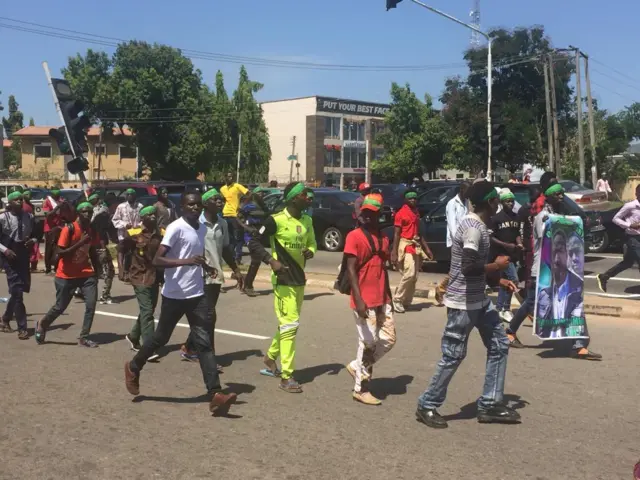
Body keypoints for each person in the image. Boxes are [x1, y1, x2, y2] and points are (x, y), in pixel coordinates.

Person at [416, 181, 520, 429]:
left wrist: (499, 279)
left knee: (499, 345)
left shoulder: (481, 226)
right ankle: (427, 404)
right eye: (496, 199)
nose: (499, 203)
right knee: (453, 355)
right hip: (462, 303)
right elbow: (468, 267)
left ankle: (489, 404)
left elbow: (475, 268)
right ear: (490, 202)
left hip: (479, 301)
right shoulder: (473, 228)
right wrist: (497, 266)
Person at [123, 192, 238, 415]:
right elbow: (157, 260)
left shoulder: (201, 228)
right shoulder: (176, 227)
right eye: (190, 204)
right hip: (175, 295)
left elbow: (195, 254)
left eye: (197, 205)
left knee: (204, 342)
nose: (194, 208)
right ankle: (134, 366)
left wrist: (205, 267)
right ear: (183, 207)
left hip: (197, 294)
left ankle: (215, 394)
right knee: (160, 339)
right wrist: (186, 262)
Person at [506, 181, 601, 360]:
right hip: (543, 271)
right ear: (548, 196)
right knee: (532, 303)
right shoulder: (543, 217)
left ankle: (578, 345)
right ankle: (510, 332)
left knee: (573, 300)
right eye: (557, 194)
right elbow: (551, 241)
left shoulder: (557, 215)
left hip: (559, 270)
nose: (561, 196)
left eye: (562, 193)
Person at [248, 182, 316, 393]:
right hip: (283, 279)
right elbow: (254, 241)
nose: (309, 197)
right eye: (305, 194)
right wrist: (271, 261)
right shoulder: (275, 220)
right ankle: (287, 376)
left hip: (299, 280)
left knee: (289, 325)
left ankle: (270, 358)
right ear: (294, 198)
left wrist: (310, 251)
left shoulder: (307, 220)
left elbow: (313, 243)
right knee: (290, 325)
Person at [180, 188, 244, 362]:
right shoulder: (196, 222)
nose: (220, 202)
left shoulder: (222, 223)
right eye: (216, 199)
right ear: (205, 203)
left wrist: (236, 270)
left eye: (221, 200)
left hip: (215, 275)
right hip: (197, 276)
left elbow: (225, 249)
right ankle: (209, 358)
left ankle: (190, 347)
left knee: (204, 317)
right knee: (209, 317)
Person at [344, 194, 395, 405]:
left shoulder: (383, 238)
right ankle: (361, 388)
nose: (366, 217)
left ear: (379, 216)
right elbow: (350, 269)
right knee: (367, 343)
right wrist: (359, 298)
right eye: (364, 213)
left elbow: (382, 268)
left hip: (382, 297)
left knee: (389, 339)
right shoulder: (354, 236)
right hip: (363, 298)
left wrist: (389, 297)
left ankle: (357, 366)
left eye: (371, 214)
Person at [35, 202, 102, 347]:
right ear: (78, 213)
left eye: (90, 212)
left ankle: (83, 337)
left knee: (91, 305)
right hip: (65, 275)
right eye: (85, 212)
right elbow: (61, 253)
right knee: (60, 307)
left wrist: (97, 271)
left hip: (86, 274)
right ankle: (43, 323)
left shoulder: (91, 230)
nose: (88, 215)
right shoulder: (69, 229)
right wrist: (80, 242)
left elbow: (92, 251)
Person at [122, 206, 165, 361]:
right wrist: (122, 270)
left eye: (155, 214)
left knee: (149, 309)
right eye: (149, 215)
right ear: (143, 218)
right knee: (147, 311)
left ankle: (133, 336)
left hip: (154, 276)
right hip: (139, 276)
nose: (153, 217)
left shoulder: (161, 234)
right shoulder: (133, 233)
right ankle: (148, 347)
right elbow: (121, 250)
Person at [0, 192, 36, 339]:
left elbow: (36, 234)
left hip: (22, 255)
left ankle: (5, 319)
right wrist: (5, 250)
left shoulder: (29, 217)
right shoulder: (3, 218)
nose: (20, 201)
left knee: (19, 290)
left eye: (21, 199)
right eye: (16, 199)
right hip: (8, 256)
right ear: (10, 202)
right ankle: (22, 327)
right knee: (17, 292)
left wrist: (32, 240)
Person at [390, 190, 433, 313]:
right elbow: (397, 234)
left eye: (414, 198)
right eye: (410, 199)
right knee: (409, 274)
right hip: (406, 244)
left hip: (415, 245)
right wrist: (394, 252)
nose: (413, 200)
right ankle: (397, 299)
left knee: (414, 276)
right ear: (405, 200)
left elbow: (419, 233)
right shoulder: (400, 214)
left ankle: (406, 301)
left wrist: (427, 248)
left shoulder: (415, 212)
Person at [597, 185, 640, 292]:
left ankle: (604, 277)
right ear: (636, 193)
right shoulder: (630, 206)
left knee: (628, 263)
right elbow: (615, 219)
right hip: (632, 238)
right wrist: (629, 225)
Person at [536, 230, 584, 326]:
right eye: (553, 253)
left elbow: (578, 322)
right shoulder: (543, 295)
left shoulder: (579, 288)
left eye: (560, 251)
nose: (557, 259)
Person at [490, 188, 523, 323]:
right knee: (513, 280)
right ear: (502, 203)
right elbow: (491, 237)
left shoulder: (516, 218)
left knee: (506, 281)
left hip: (513, 254)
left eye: (512, 201)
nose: (511, 203)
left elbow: (516, 234)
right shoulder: (496, 218)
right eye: (508, 201)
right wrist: (505, 245)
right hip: (502, 255)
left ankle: (500, 309)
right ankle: (506, 308)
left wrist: (519, 244)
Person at [435, 182, 470, 305]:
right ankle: (442, 288)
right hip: (456, 242)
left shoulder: (466, 203)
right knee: (457, 268)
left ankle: (444, 289)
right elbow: (452, 225)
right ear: (461, 190)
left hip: (465, 240)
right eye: (467, 191)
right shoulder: (452, 204)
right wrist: (458, 242)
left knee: (460, 268)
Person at [239, 187, 270, 297]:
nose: (262, 194)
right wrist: (247, 228)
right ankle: (248, 286)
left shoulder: (264, 206)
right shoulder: (248, 206)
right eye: (259, 193)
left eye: (263, 193)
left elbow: (267, 217)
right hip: (250, 237)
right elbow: (238, 218)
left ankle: (246, 283)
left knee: (255, 261)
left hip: (260, 236)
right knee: (257, 259)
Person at [89, 193, 115, 304]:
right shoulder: (101, 213)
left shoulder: (88, 215)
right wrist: (104, 248)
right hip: (100, 246)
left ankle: (81, 291)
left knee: (94, 272)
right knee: (108, 272)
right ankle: (105, 295)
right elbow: (101, 231)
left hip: (91, 247)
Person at [112, 188, 143, 282]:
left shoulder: (140, 206)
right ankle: (122, 272)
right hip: (123, 234)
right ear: (126, 196)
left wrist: (139, 225)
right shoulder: (121, 207)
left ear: (135, 196)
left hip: (135, 234)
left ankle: (129, 272)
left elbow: (143, 219)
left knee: (132, 253)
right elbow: (115, 220)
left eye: (132, 194)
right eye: (128, 194)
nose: (130, 196)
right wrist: (125, 225)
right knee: (121, 252)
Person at [220, 171, 249, 264]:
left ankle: (237, 258)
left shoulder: (237, 186)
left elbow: (249, 194)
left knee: (239, 238)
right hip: (225, 215)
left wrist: (242, 205)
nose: (230, 178)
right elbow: (222, 200)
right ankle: (232, 258)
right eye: (228, 177)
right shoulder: (222, 189)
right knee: (229, 238)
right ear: (225, 178)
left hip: (235, 215)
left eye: (232, 177)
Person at [42, 188, 65, 275]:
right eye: (56, 196)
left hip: (59, 227)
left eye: (58, 196)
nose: (57, 198)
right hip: (49, 228)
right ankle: (48, 269)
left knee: (58, 247)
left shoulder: (59, 201)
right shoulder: (47, 202)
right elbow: (47, 215)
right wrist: (58, 206)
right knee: (49, 248)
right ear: (52, 195)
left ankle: (56, 267)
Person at [21, 190, 40, 272]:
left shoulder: (31, 206)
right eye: (27, 194)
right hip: (24, 229)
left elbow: (33, 217)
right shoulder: (21, 206)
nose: (28, 196)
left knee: (33, 247)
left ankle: (33, 266)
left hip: (31, 228)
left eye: (29, 195)